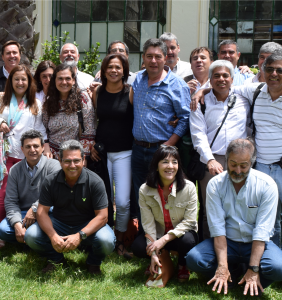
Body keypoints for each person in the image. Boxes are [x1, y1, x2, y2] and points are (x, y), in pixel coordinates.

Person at [227, 53, 282, 253]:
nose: (274, 74)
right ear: (263, 71)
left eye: (280, 70)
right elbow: (227, 88)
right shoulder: (256, 91)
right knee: (268, 216)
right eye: (269, 69)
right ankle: (272, 255)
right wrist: (202, 91)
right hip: (261, 168)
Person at [186, 139, 282, 297]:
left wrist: (254, 268)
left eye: (244, 165)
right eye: (233, 164)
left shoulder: (267, 185)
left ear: (252, 163)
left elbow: (262, 231)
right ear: (226, 160)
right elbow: (217, 228)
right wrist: (221, 265)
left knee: (280, 268)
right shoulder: (215, 185)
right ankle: (230, 277)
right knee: (194, 259)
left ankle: (253, 280)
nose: (238, 170)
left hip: (255, 243)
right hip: (227, 242)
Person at [0, 64, 49, 248]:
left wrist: (45, 145)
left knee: (26, 194)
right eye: (16, 79)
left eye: (24, 79)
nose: (20, 82)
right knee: (2, 196)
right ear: (10, 81)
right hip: (3, 155)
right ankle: (2, 234)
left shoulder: (35, 103)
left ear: (29, 82)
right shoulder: (0, 100)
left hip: (27, 156)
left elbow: (40, 128)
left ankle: (26, 227)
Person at [24, 140, 116, 275]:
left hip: (87, 224)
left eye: (76, 161)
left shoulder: (95, 181)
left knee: (107, 240)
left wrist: (80, 235)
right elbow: (42, 212)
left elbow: (103, 216)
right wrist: (53, 236)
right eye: (67, 161)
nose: (72, 165)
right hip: (59, 223)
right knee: (31, 235)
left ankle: (94, 263)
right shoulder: (50, 180)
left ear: (84, 160)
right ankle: (56, 259)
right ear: (60, 161)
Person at [189, 60, 251, 241]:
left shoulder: (244, 100)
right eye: (216, 75)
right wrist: (209, 160)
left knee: (239, 205)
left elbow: (251, 127)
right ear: (210, 79)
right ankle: (209, 249)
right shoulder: (200, 102)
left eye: (225, 75)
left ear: (232, 79)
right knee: (211, 208)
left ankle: (236, 249)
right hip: (211, 159)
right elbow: (198, 134)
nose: (221, 79)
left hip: (239, 160)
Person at [131, 38, 190, 223]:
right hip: (138, 149)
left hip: (162, 150)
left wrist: (168, 145)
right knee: (141, 194)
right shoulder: (138, 79)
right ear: (143, 58)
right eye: (149, 56)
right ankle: (144, 235)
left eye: (158, 56)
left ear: (165, 58)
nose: (153, 61)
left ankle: (166, 237)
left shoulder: (177, 84)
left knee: (164, 197)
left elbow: (185, 118)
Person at [132, 145, 198, 282]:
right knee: (138, 247)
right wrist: (153, 253)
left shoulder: (189, 188)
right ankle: (159, 258)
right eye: (165, 162)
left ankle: (182, 263)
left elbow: (189, 222)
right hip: (158, 235)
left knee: (188, 241)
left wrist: (163, 240)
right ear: (156, 166)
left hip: (179, 237)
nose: (170, 166)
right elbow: (147, 223)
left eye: (174, 162)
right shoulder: (145, 190)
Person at [91, 53, 133, 258]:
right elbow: (92, 122)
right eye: (110, 67)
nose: (114, 71)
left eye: (118, 67)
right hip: (102, 153)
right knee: (104, 200)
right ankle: (104, 238)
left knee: (123, 201)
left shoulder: (131, 92)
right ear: (104, 70)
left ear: (124, 70)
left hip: (125, 152)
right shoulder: (97, 92)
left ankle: (121, 239)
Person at [0, 130, 61, 244]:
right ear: (22, 149)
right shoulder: (15, 170)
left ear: (42, 147)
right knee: (2, 231)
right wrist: (17, 224)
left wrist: (35, 209)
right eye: (28, 146)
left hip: (47, 213)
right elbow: (11, 201)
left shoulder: (53, 166)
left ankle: (32, 237)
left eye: (36, 146)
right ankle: (29, 236)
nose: (32, 150)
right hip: (23, 214)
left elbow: (54, 194)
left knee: (33, 233)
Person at [43, 63, 96, 158]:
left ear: (74, 80)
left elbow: (89, 130)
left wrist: (82, 156)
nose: (64, 82)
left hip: (74, 156)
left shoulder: (82, 99)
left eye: (67, 78)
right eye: (60, 78)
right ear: (54, 81)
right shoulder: (49, 102)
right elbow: (43, 129)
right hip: (52, 157)